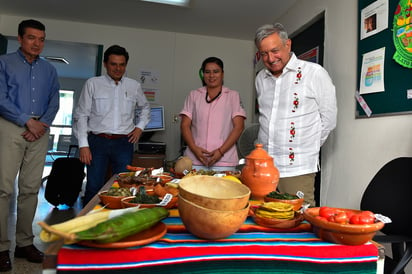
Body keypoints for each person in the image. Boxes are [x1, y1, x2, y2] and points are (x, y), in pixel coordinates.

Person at [254, 23, 337, 206]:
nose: (270, 58)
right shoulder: (260, 78)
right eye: (264, 53)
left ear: (288, 45)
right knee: (262, 218)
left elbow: (329, 120)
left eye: (275, 50)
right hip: (263, 167)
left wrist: (306, 146)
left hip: (296, 169)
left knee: (299, 223)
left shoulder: (314, 73)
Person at [0, 19, 60, 271]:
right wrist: (26, 121)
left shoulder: (49, 69)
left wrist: (41, 123)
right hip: (11, 126)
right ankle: (2, 246)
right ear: (20, 39)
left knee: (30, 189)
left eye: (42, 39)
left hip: (40, 131)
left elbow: (54, 100)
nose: (37, 43)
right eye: (32, 38)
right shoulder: (4, 63)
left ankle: (24, 243)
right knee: (4, 190)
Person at [73, 45, 150, 207]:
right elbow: (81, 115)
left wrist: (139, 127)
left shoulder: (133, 86)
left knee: (124, 186)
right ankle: (89, 225)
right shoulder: (93, 84)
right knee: (94, 186)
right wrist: (83, 145)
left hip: (124, 143)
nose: (118, 68)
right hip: (97, 142)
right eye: (114, 64)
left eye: (122, 64)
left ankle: (118, 223)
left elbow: (145, 108)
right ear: (105, 64)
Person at [180, 57, 246, 171]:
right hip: (195, 159)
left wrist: (221, 151)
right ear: (203, 74)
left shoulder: (233, 96)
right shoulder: (194, 95)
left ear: (222, 74)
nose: (211, 76)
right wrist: (194, 149)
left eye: (216, 71)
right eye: (207, 72)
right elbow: (184, 125)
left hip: (225, 161)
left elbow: (239, 127)